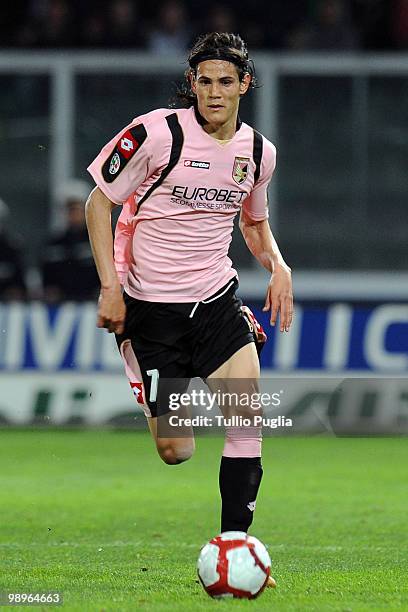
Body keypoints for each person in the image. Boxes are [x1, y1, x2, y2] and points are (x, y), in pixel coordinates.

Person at [85, 32, 293, 587]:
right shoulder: (157, 133)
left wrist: (278, 265)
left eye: (226, 81)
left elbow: (252, 221)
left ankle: (235, 547)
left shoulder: (257, 153)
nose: (215, 92)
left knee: (247, 421)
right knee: (177, 449)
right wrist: (110, 285)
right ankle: (142, 366)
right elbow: (99, 202)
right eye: (204, 81)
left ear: (244, 85)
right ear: (192, 85)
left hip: (216, 302)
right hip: (150, 312)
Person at [41, 179, 99, 302]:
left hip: (93, 303)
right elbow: (47, 274)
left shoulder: (99, 238)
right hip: (60, 305)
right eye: (70, 210)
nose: (73, 214)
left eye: (77, 209)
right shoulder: (55, 243)